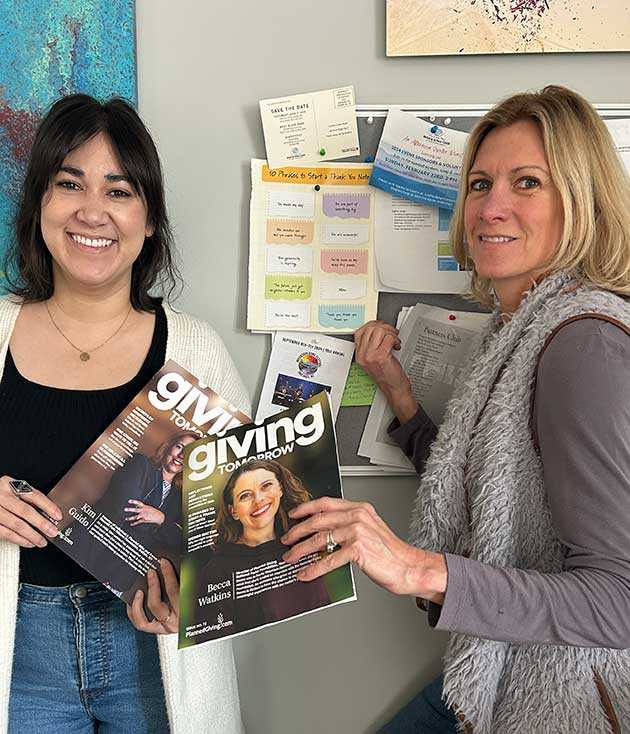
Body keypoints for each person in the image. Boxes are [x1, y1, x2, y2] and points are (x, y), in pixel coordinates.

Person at [282, 85, 630, 733]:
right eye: (478, 184)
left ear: (581, 202)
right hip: (495, 668)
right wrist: (400, 394)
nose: (491, 207)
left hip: (565, 700)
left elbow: (619, 601)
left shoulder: (583, 343)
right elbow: (489, 489)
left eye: (527, 183)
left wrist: (415, 565)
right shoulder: (520, 328)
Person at [0, 94, 249, 734]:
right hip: (15, 654)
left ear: (149, 221)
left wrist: (197, 598)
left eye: (119, 191)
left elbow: (243, 537)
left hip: (154, 656)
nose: (92, 211)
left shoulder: (197, 351)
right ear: (38, 208)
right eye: (68, 184)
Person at [197, 459, 330, 634]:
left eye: (266, 485)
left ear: (280, 489)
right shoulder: (217, 570)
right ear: (233, 511)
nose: (258, 500)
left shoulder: (304, 542)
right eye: (245, 495)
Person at [74, 431, 199, 597]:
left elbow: (179, 541)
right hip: (89, 552)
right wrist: (163, 527)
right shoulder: (140, 464)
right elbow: (125, 508)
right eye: (179, 447)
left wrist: (160, 518)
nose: (182, 455)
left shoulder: (180, 498)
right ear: (169, 446)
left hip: (119, 575)